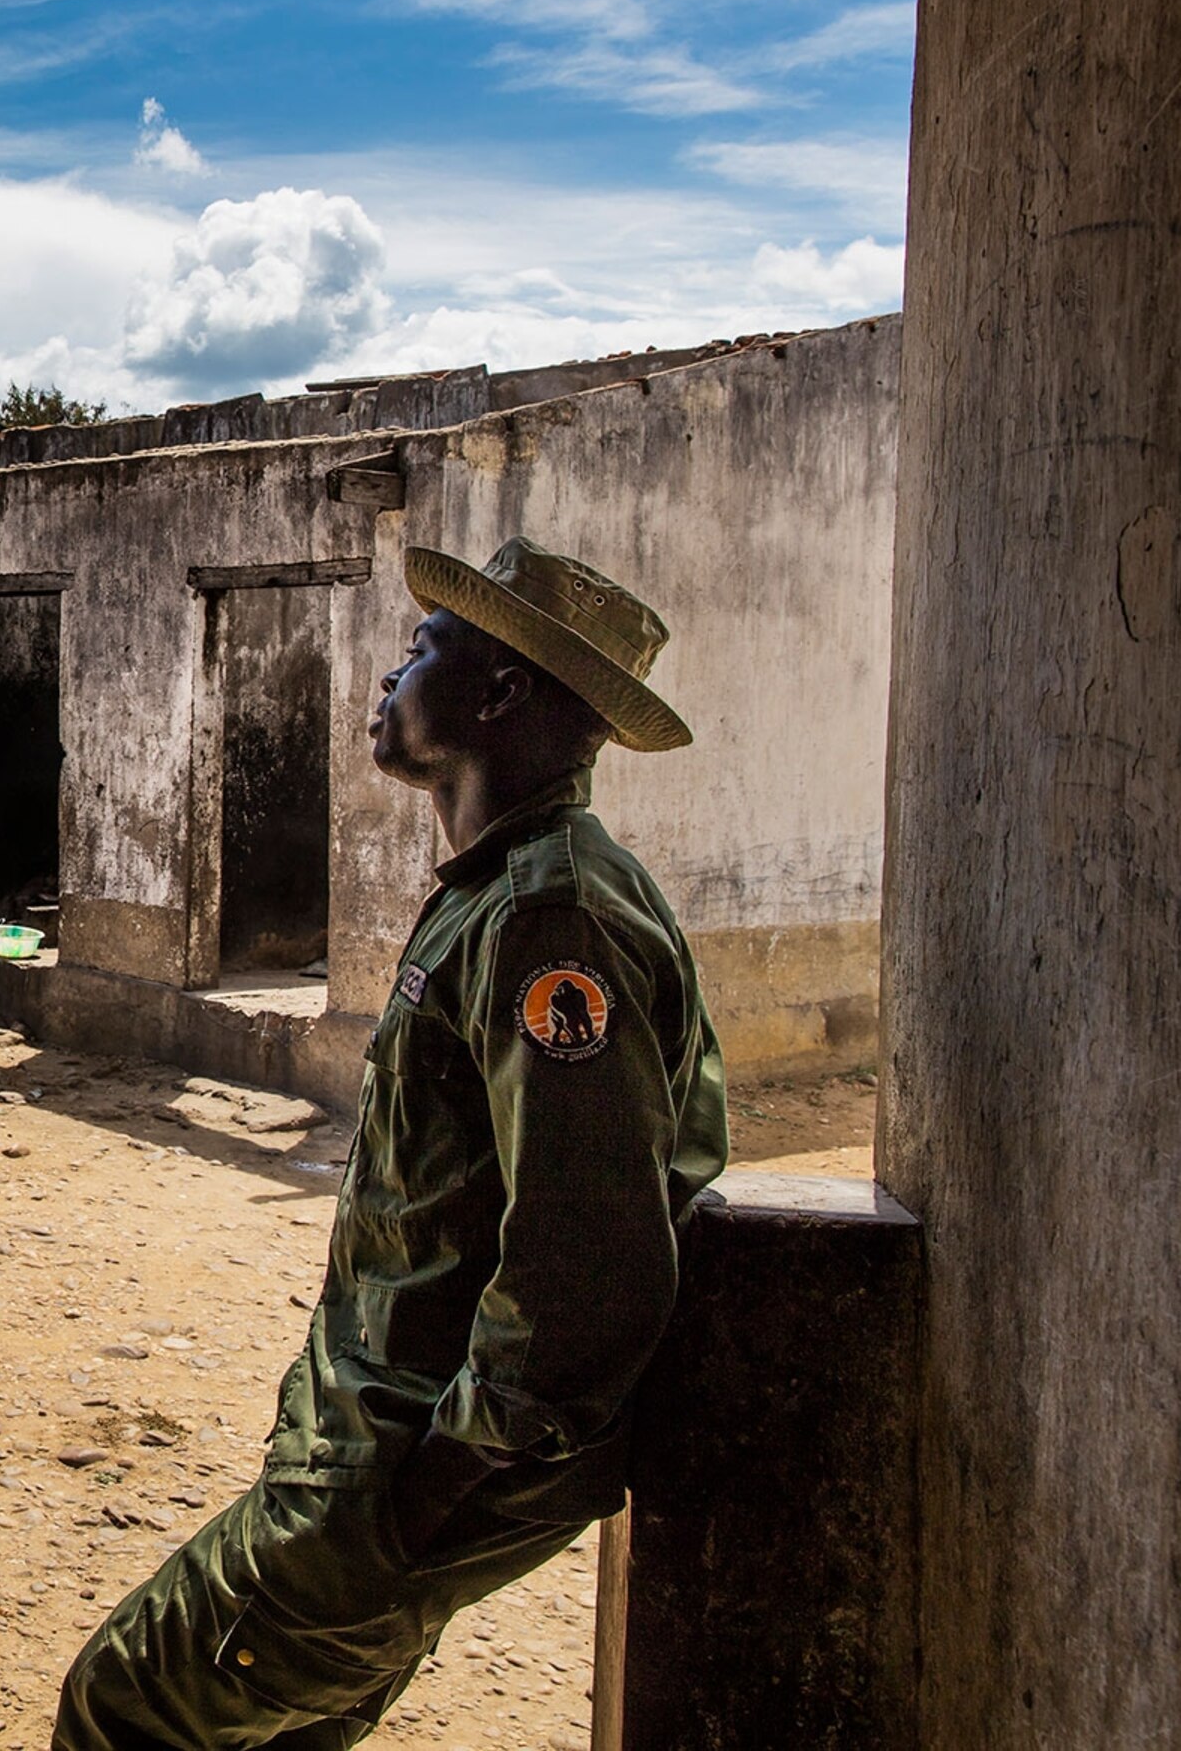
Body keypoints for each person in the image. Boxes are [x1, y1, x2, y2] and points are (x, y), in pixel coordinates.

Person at [55, 538, 726, 1749]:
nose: (389, 671)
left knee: (127, 1706)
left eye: (423, 649)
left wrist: (428, 1497)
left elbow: (587, 1259)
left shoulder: (548, 913)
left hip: (407, 1465)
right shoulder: (498, 886)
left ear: (500, 693)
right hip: (379, 1445)